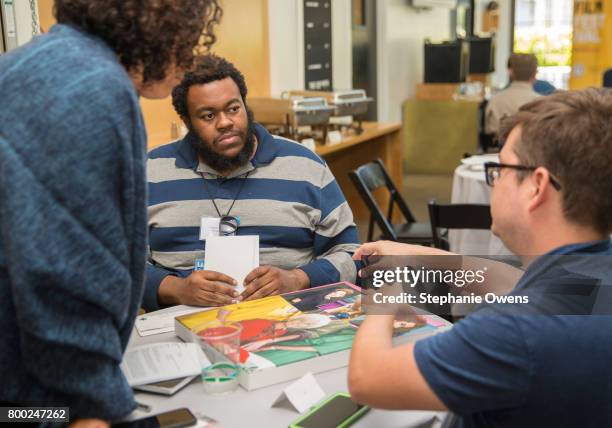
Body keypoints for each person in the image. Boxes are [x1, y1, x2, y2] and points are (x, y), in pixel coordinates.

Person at [0, 0, 221, 425]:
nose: (190, 56)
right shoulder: (93, 89)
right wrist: (91, 403)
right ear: (165, 28)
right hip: (35, 395)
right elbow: (65, 267)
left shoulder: (38, 63)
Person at [348, 88, 612, 427]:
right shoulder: (590, 269)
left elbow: (367, 378)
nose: (495, 183)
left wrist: (386, 296)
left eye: (500, 169)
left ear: (536, 186)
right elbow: (510, 280)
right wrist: (416, 255)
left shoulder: (516, 331)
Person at [144, 55, 360, 311]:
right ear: (187, 123)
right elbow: (118, 264)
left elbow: (352, 254)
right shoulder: (150, 172)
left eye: (233, 109)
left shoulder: (305, 166)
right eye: (208, 115)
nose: (225, 122)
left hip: (290, 322)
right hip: (176, 330)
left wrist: (298, 279)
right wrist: (175, 289)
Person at [485, 53, 541, 135]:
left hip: (502, 146)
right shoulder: (542, 103)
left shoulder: (495, 101)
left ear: (510, 72)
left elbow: (490, 134)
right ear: (535, 73)